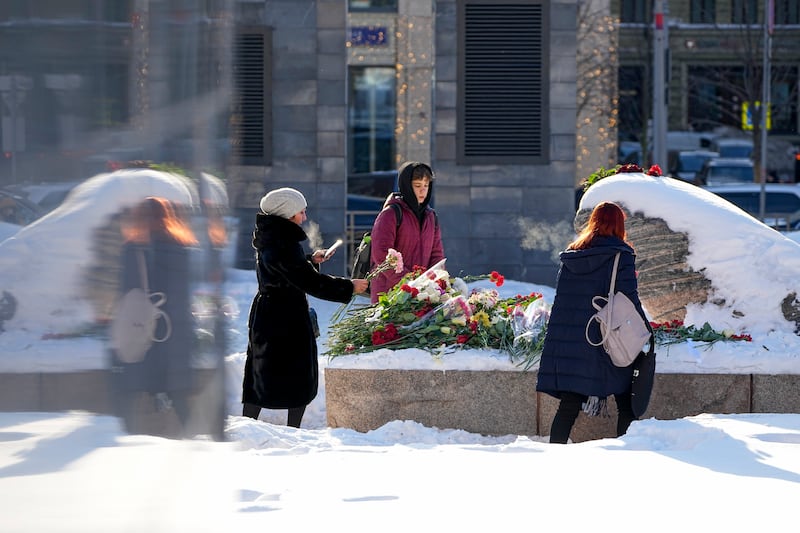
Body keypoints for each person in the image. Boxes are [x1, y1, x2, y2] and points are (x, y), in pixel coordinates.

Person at [242, 187, 369, 427]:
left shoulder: (274, 236)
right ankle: (287, 431)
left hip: (271, 315)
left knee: (263, 373)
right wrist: (349, 287)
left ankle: (249, 425)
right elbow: (309, 281)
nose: (305, 217)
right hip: (284, 318)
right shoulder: (284, 242)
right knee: (295, 375)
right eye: (301, 211)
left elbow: (286, 270)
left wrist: (309, 260)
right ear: (288, 213)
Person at [536, 201, 650, 444]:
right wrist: (646, 329)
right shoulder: (622, 256)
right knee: (625, 401)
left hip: (572, 341)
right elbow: (629, 299)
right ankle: (628, 452)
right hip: (605, 337)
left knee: (569, 405)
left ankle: (554, 454)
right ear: (620, 225)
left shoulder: (573, 255)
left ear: (593, 222)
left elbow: (562, 300)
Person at [110, 196, 199, 436]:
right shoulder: (181, 246)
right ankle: (199, 444)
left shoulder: (134, 248)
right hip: (176, 331)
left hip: (145, 329)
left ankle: (127, 443)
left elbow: (127, 292)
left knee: (129, 390)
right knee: (178, 394)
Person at [369, 161, 445, 303]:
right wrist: (409, 282)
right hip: (389, 294)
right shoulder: (391, 214)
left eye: (426, 186)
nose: (423, 191)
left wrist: (437, 281)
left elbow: (437, 255)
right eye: (417, 186)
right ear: (407, 186)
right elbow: (381, 254)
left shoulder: (431, 217)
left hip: (421, 295)